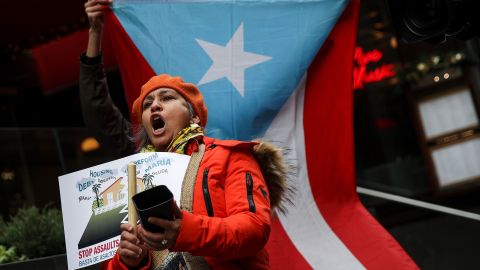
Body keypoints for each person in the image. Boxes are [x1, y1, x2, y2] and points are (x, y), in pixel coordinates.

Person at [80, 0, 289, 269]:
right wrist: (129, 261)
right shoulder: (134, 175)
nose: (154, 105)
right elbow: (99, 115)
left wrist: (184, 231)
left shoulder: (230, 158)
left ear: (193, 116)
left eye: (166, 98)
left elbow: (254, 228)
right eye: (147, 104)